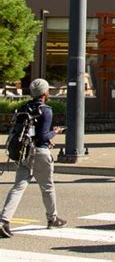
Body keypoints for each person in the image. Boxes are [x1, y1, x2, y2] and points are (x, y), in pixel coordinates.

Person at [0, 78, 67, 238]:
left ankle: (4, 221)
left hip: (24, 151)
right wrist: (55, 132)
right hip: (40, 153)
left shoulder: (24, 108)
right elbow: (43, 136)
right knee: (47, 186)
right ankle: (52, 219)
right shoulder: (46, 110)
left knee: (18, 187)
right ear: (45, 93)